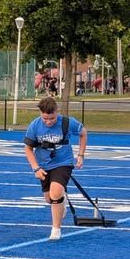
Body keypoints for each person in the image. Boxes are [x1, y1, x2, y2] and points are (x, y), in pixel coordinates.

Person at [24, 97, 87, 240]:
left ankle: (56, 230)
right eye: (45, 118)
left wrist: (81, 155)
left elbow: (83, 133)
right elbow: (28, 149)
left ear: (57, 112)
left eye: (51, 118)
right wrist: (35, 168)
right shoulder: (34, 126)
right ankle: (61, 199)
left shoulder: (67, 122)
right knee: (49, 199)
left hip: (63, 162)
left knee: (55, 193)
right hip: (43, 165)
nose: (48, 122)